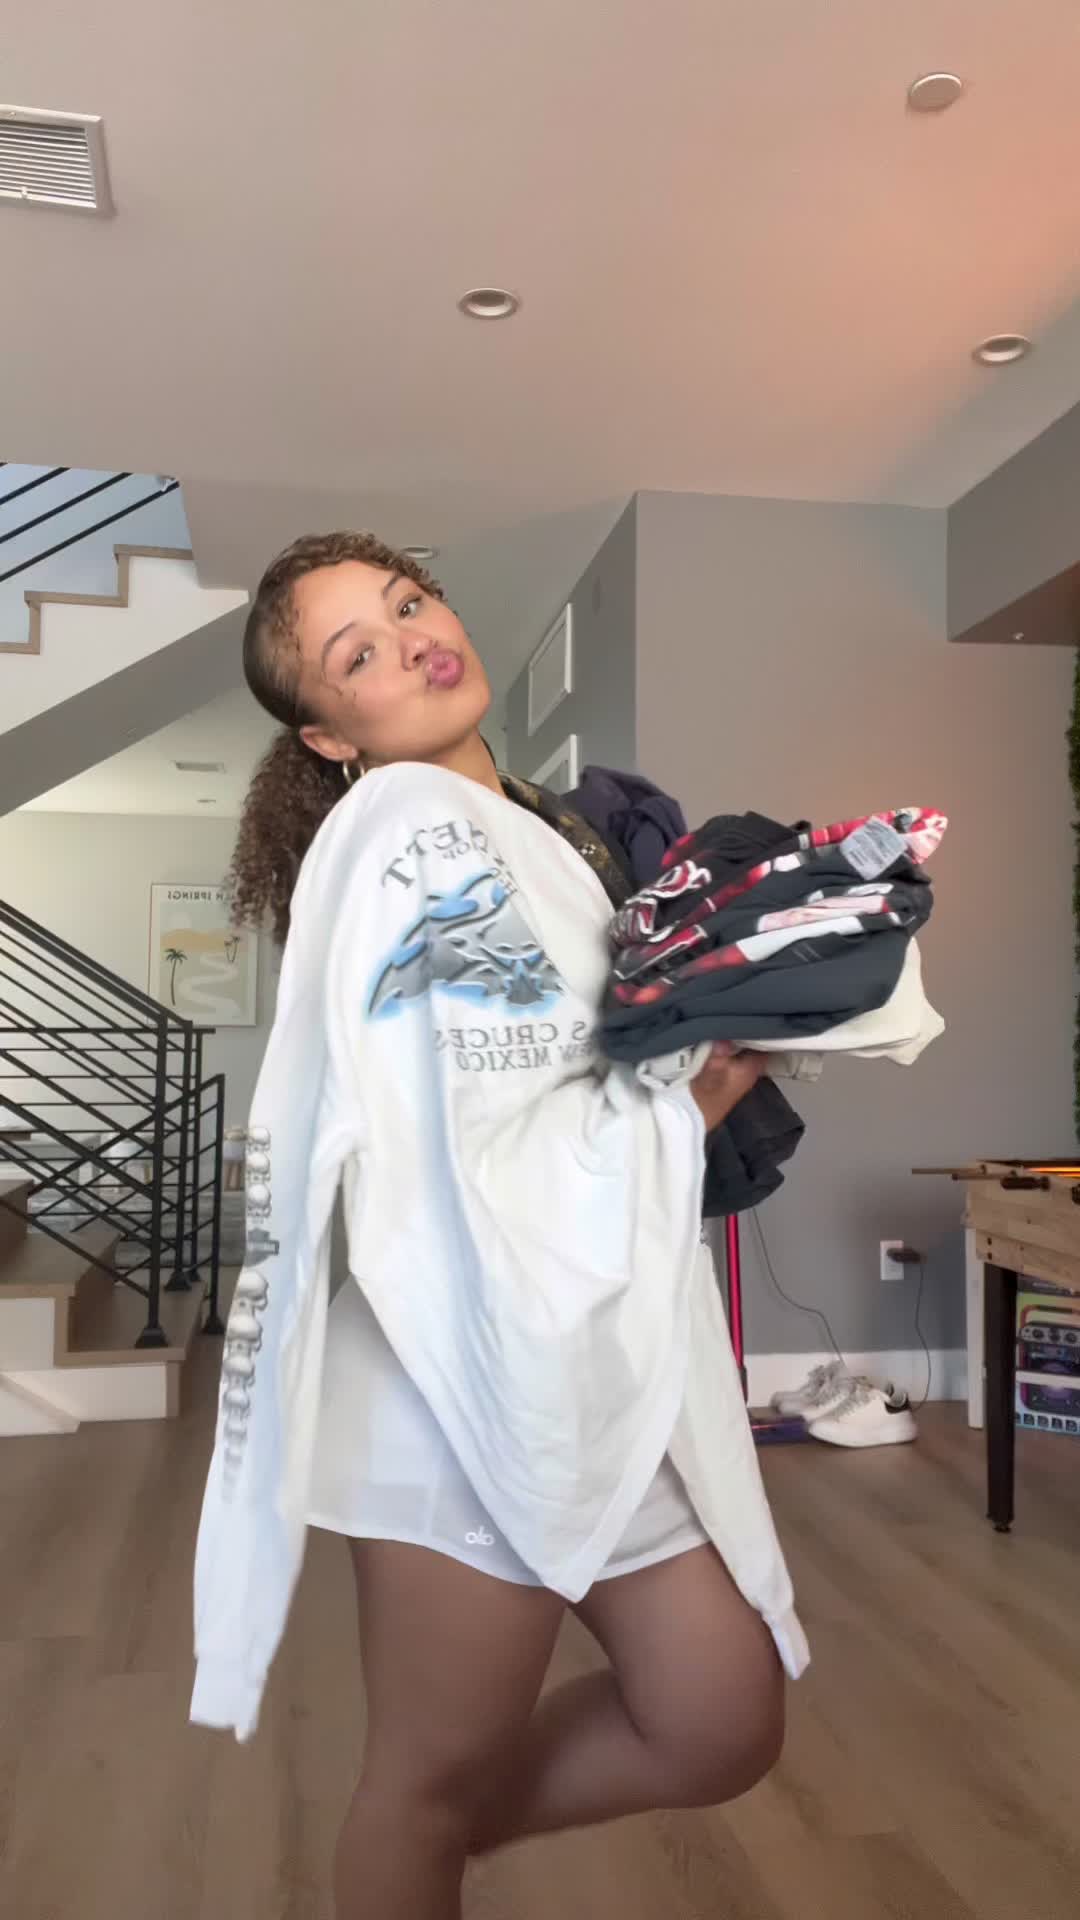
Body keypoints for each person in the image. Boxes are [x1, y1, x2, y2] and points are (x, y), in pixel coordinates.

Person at [192, 531, 809, 1920]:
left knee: (719, 1717)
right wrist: (690, 1101)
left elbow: (567, 1076)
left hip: (601, 1360)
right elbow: (471, 1156)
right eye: (359, 651)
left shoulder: (537, 836)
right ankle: (413, 1847)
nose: (413, 639)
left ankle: (422, 1849)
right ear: (327, 734)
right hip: (462, 1386)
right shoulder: (408, 843)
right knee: (425, 1775)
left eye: (409, 602)